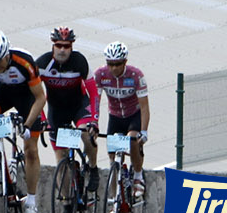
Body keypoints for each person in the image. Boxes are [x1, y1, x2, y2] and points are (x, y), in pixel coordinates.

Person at [0, 29, 48, 213]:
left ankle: (31, 202)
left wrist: (27, 125)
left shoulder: (24, 62)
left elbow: (40, 98)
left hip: (27, 96)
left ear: (7, 54)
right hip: (4, 91)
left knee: (30, 149)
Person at [35, 26, 100, 201]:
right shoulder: (42, 64)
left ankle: (93, 167)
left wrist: (94, 120)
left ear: (72, 47)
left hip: (79, 107)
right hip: (56, 111)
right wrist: (42, 119)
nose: (62, 50)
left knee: (86, 135)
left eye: (66, 46)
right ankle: (66, 204)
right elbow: (34, 94)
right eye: (59, 45)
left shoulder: (79, 61)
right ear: (53, 46)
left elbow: (93, 92)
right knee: (61, 160)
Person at [93, 41, 151, 196]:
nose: (114, 68)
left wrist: (144, 131)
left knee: (132, 141)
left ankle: (138, 177)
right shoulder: (100, 75)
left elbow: (144, 107)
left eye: (118, 64)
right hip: (115, 117)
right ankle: (115, 199)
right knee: (113, 158)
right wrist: (94, 124)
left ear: (125, 61)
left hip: (134, 116)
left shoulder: (136, 75)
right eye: (110, 64)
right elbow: (95, 102)